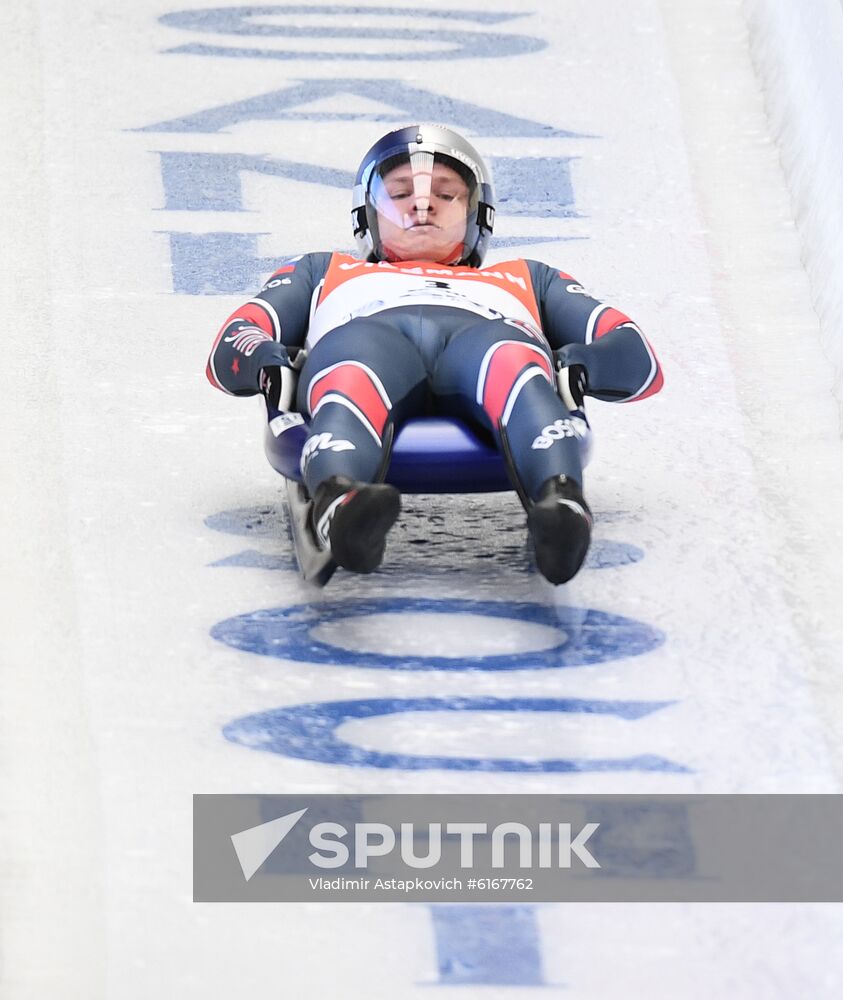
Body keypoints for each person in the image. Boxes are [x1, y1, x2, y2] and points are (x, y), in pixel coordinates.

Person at [206, 124, 663, 583]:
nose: (422, 205)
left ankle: (560, 506)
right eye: (399, 193)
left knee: (512, 357)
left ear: (475, 214)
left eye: (446, 195)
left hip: (483, 340)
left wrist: (585, 363)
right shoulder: (323, 270)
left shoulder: (529, 276)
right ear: (369, 215)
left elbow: (634, 351)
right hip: (370, 339)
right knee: (353, 360)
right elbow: (238, 334)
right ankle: (340, 502)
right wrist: (267, 359)